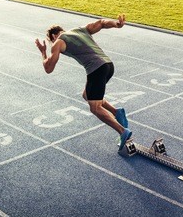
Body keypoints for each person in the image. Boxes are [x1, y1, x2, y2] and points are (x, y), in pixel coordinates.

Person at [35, 14, 132, 150]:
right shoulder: (80, 29)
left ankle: (122, 131)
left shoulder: (57, 43)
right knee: (87, 95)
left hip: (96, 69)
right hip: (108, 65)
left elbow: (48, 68)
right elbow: (102, 22)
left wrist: (43, 52)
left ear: (53, 37)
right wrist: (117, 24)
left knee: (95, 108)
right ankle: (117, 112)